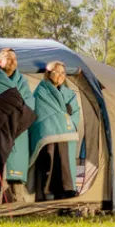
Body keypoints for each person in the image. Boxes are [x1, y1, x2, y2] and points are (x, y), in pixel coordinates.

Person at [0, 48, 36, 203]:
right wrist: (17, 104)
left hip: (19, 132)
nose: (13, 62)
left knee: (18, 164)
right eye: (8, 58)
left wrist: (15, 108)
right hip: (2, 130)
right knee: (2, 163)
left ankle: (18, 198)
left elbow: (30, 104)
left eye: (14, 59)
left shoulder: (22, 82)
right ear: (0, 62)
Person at [29, 61, 81, 201]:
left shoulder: (69, 93)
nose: (60, 75)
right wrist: (64, 119)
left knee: (65, 165)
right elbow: (42, 112)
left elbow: (75, 112)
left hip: (66, 135)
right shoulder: (41, 92)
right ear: (48, 73)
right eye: (56, 72)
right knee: (49, 163)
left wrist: (67, 122)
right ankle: (47, 194)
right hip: (49, 134)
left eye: (63, 73)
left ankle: (67, 191)